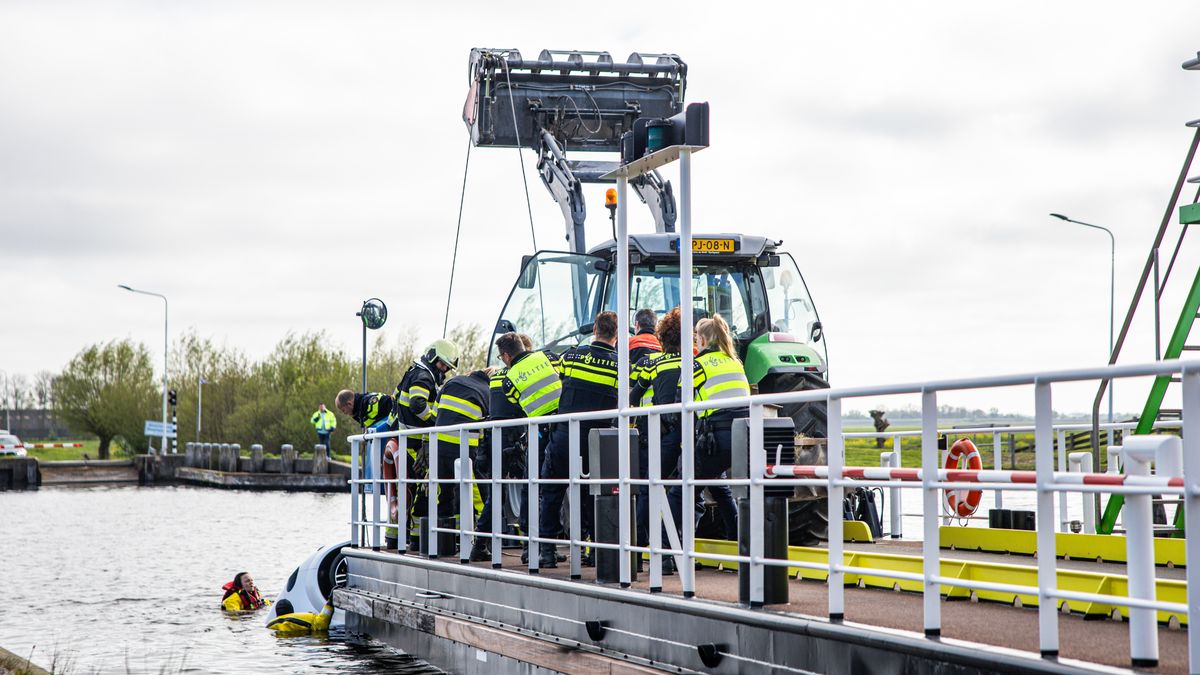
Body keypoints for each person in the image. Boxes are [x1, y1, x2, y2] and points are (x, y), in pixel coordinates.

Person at [537, 311, 620, 568]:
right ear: (617, 335)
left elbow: (556, 381)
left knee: (552, 492)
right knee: (597, 494)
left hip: (566, 435)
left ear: (595, 329)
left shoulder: (572, 355)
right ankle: (595, 550)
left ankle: (547, 553)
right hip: (601, 440)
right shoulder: (620, 364)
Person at [390, 339, 460, 548]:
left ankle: (402, 539)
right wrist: (435, 422)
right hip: (414, 442)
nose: (445, 369)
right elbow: (416, 403)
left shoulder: (413, 371)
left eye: (447, 367)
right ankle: (418, 541)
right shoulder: (423, 377)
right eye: (442, 364)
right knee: (424, 489)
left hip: (406, 439)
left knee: (411, 488)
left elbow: (395, 399)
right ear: (432, 357)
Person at [685, 315, 749, 537]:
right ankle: (737, 536)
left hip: (717, 438)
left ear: (701, 339)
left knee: (682, 488)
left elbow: (679, 403)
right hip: (744, 438)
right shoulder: (735, 361)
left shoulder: (698, 364)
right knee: (719, 486)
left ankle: (667, 551)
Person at [473, 335, 535, 562]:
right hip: (517, 440)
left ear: (506, 356)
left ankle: (480, 543)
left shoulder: (498, 377)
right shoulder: (523, 372)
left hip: (495, 441)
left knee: (496, 494)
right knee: (533, 489)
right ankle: (532, 547)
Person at [429, 368, 490, 556]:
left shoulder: (452, 382)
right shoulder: (487, 392)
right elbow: (487, 426)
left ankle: (445, 543)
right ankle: (481, 542)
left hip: (439, 445)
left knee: (444, 493)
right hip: (464, 450)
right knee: (477, 496)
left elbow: (434, 414)